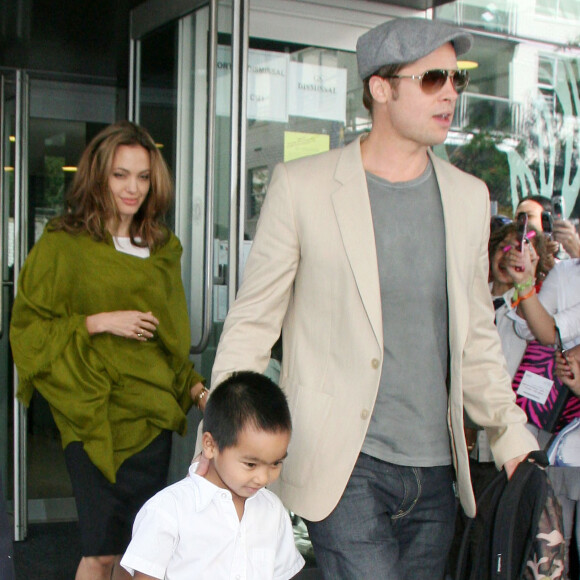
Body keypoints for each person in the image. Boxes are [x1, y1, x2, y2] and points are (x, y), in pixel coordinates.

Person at [208, 17, 538, 580]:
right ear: (381, 88)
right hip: (344, 463)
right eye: (433, 78)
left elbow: (475, 336)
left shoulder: (468, 197)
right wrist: (219, 438)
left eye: (455, 78)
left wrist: (510, 435)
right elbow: (253, 321)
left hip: (437, 468)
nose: (451, 92)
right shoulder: (303, 186)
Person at [9, 121, 207, 580]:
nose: (133, 187)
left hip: (149, 417)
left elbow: (171, 342)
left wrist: (199, 393)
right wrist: (99, 322)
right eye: (121, 174)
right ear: (98, 175)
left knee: (140, 555)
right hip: (91, 415)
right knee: (99, 551)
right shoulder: (64, 244)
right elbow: (28, 327)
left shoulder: (162, 248)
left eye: (142, 176)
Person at [120, 371, 305, 580]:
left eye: (275, 463)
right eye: (250, 464)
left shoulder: (272, 511)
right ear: (209, 445)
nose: (263, 478)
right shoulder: (168, 511)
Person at [504, 243, 580, 575]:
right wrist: (525, 285)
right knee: (548, 559)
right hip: (561, 446)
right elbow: (534, 328)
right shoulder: (566, 273)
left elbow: (551, 330)